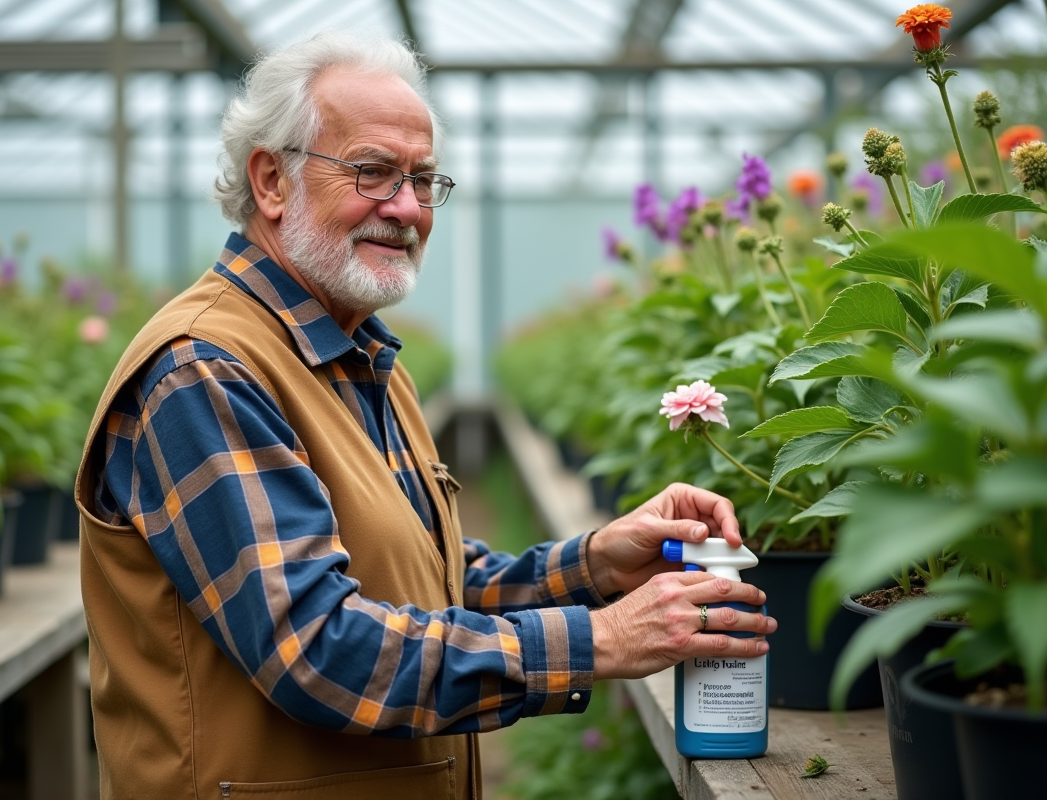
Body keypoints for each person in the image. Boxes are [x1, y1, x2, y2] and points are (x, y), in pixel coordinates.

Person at [75, 30, 775, 800]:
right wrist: (600, 638)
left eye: (423, 179)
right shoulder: (204, 368)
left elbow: (425, 580)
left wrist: (598, 563)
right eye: (373, 173)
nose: (406, 208)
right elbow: (315, 649)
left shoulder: (362, 357)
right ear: (272, 181)